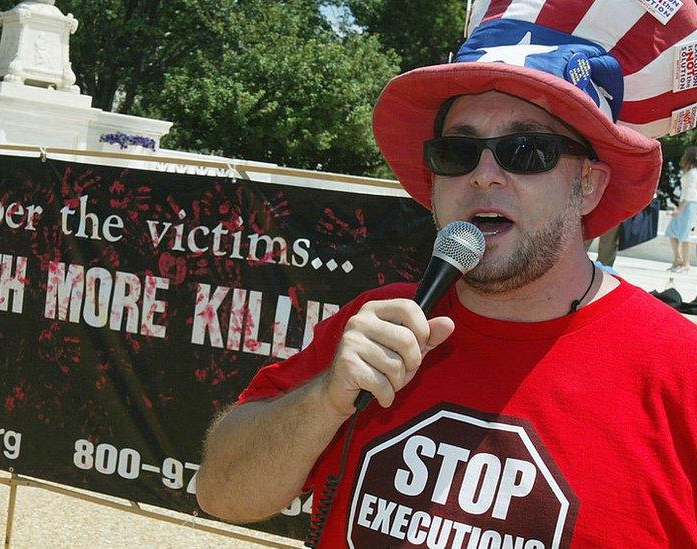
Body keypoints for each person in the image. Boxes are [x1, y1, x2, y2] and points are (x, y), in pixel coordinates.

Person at [196, 3, 697, 547]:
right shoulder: (378, 324)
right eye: (457, 151)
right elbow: (220, 493)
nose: (484, 176)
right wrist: (325, 399)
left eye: (525, 150)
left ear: (589, 187)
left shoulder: (678, 370)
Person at [667, 146, 697, 273]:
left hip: (688, 205)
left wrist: (679, 209)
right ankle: (678, 259)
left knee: (685, 235)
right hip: (686, 204)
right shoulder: (690, 172)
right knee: (671, 231)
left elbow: (690, 192)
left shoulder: (693, 172)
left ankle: (686, 264)